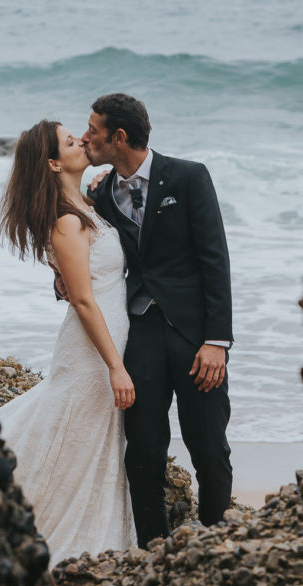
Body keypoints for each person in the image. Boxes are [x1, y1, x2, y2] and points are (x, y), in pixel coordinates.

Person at [80, 93, 233, 549]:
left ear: (119, 137)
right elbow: (93, 253)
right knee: (143, 450)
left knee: (208, 447)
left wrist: (217, 340)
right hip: (140, 331)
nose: (86, 136)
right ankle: (153, 548)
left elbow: (215, 260)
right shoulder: (102, 193)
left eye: (93, 130)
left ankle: (215, 543)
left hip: (195, 335)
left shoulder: (188, 177)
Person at [0, 119, 136, 565]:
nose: (82, 141)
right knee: (75, 443)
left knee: (90, 444)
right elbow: (84, 301)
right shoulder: (67, 223)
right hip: (92, 352)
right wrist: (116, 365)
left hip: (106, 342)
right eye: (71, 142)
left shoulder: (85, 206)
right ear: (54, 163)